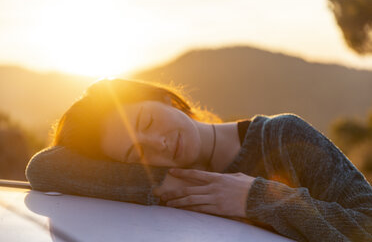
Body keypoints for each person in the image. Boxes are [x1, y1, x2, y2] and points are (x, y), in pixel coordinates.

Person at [26, 78, 372, 241]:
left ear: (165, 99)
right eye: (138, 153)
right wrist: (162, 182)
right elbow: (44, 168)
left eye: (145, 122)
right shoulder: (163, 186)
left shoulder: (282, 136)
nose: (158, 143)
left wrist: (256, 198)